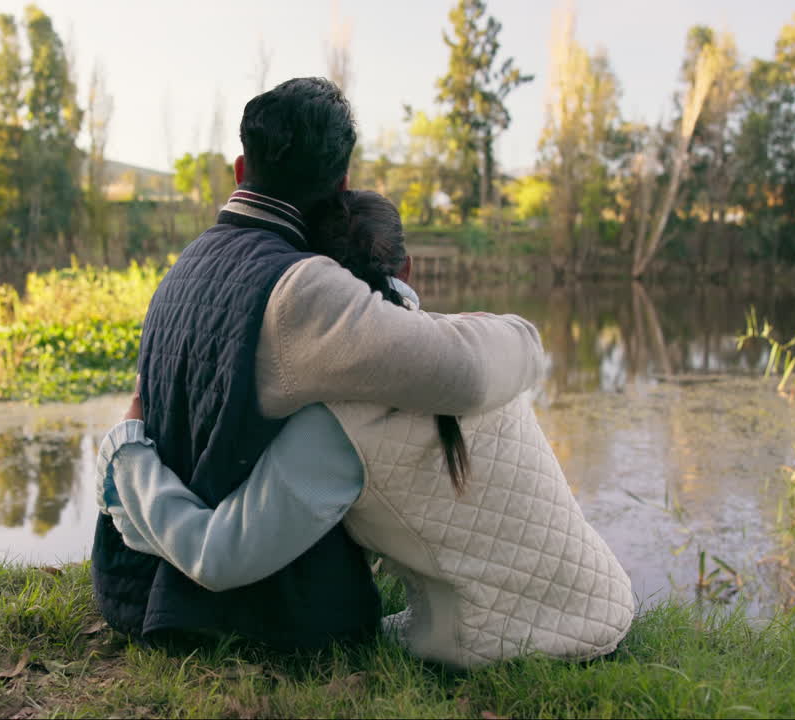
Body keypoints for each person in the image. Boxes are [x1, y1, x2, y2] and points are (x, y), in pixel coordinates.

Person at [91, 78, 546, 651]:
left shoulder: (187, 262)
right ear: (343, 185)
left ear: (240, 170)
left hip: (133, 584)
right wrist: (522, 336)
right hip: (245, 611)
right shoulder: (304, 290)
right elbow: (468, 376)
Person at [98, 191, 635, 669]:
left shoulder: (337, 421)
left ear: (312, 277)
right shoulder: (458, 349)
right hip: (606, 602)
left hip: (499, 641)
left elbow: (219, 556)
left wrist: (128, 459)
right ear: (410, 267)